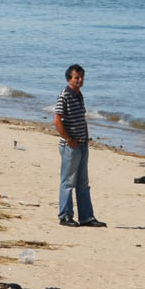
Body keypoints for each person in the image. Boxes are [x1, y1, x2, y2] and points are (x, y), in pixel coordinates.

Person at [53, 64, 105, 227]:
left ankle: (86, 217)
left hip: (82, 144)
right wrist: (69, 140)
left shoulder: (78, 94)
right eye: (77, 77)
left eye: (82, 77)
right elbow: (57, 119)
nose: (80, 80)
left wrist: (85, 138)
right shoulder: (65, 95)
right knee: (68, 182)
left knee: (83, 183)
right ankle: (65, 216)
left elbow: (81, 119)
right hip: (71, 146)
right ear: (70, 78)